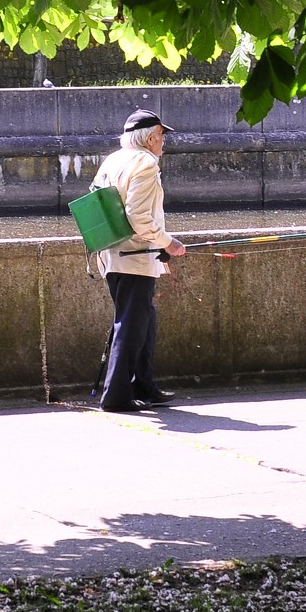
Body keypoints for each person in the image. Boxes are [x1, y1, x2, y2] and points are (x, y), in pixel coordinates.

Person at [91, 109, 186, 412]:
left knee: (144, 322)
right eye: (161, 136)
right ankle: (116, 396)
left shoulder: (114, 159)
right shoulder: (146, 163)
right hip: (135, 257)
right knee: (131, 327)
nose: (163, 143)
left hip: (112, 254)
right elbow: (139, 217)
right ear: (148, 138)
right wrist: (168, 243)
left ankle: (143, 385)